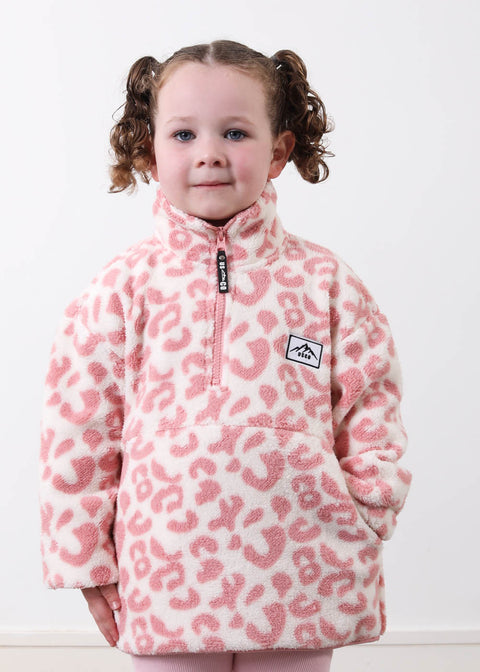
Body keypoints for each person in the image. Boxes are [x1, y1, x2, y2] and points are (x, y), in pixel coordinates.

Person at [39, 40, 411, 672]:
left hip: (304, 567)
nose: (208, 152)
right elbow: (78, 432)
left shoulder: (326, 284)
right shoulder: (117, 292)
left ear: (279, 152)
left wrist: (368, 506)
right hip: (165, 572)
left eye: (234, 133)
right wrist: (84, 558)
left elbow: (371, 402)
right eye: (183, 134)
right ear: (149, 150)